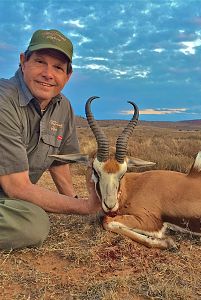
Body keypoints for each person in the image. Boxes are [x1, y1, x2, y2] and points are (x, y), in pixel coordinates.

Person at [0, 29, 101, 250]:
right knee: (32, 225)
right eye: (40, 62)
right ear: (23, 61)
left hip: (8, 201)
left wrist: (76, 203)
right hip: (11, 193)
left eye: (58, 67)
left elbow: (59, 162)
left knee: (31, 216)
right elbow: (16, 187)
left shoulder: (62, 106)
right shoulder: (4, 100)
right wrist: (85, 207)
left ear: (68, 75)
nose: (48, 73)